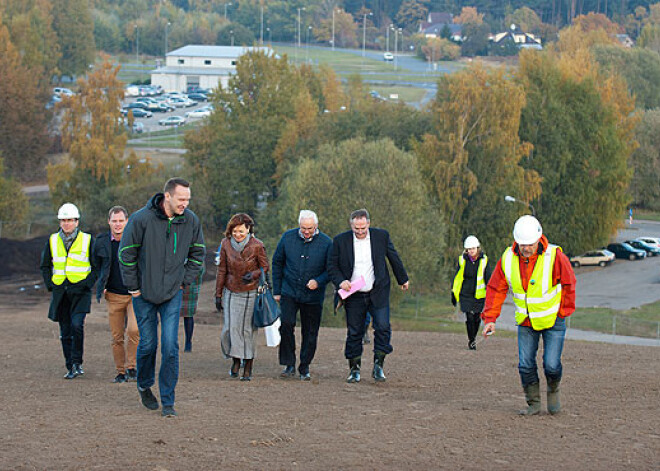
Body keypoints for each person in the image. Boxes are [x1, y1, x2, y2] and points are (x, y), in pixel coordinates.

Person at [119, 178, 206, 418]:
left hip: (172, 294)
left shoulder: (190, 221)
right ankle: (144, 384)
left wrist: (183, 282)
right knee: (148, 344)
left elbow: (198, 254)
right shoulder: (141, 219)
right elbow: (126, 254)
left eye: (188, 199)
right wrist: (134, 288)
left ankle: (168, 400)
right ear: (167, 196)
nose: (185, 204)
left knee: (170, 346)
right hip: (143, 294)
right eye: (181, 199)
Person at [482, 215, 576, 416]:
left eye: (530, 244)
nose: (526, 248)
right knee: (525, 365)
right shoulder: (507, 258)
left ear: (539, 239)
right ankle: (533, 403)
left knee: (551, 365)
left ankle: (553, 389)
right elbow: (495, 289)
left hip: (553, 320)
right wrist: (490, 319)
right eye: (522, 244)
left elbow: (569, 283)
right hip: (526, 322)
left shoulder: (555, 256)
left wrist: (564, 311)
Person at [328, 209, 409, 383]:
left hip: (377, 290)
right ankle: (354, 369)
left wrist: (403, 279)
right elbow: (332, 266)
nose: (360, 232)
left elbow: (393, 257)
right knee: (355, 331)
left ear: (368, 224)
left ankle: (378, 365)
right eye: (356, 228)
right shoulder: (340, 241)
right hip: (354, 294)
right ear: (351, 225)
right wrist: (341, 281)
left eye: (363, 228)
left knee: (382, 326)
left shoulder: (381, 237)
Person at [272, 210, 332, 381]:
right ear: (299, 225)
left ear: (316, 226)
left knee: (310, 331)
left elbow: (331, 269)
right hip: (289, 291)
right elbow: (277, 262)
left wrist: (319, 281)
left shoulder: (327, 243)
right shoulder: (287, 238)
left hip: (313, 296)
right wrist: (277, 290)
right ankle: (288, 363)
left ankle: (304, 366)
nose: (306, 231)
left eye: (310, 228)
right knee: (286, 325)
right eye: (304, 228)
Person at [40, 203, 98, 380]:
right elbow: (45, 265)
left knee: (76, 325)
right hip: (61, 293)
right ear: (60, 222)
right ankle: (70, 365)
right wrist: (51, 285)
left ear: (77, 221)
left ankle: (77, 360)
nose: (67, 224)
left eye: (70, 220)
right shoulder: (52, 240)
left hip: (80, 292)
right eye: (64, 220)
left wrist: (87, 285)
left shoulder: (88, 240)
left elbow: (96, 267)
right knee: (65, 330)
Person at [215, 213, 269, 381]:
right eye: (234, 231)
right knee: (230, 329)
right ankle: (235, 358)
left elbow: (265, 267)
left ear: (249, 230)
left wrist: (253, 274)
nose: (237, 235)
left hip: (250, 292)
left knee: (247, 330)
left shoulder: (257, 246)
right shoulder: (225, 244)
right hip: (231, 290)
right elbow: (222, 269)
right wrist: (218, 294)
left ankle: (248, 363)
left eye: (241, 231)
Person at [93, 206, 138, 383]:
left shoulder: (136, 240)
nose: (118, 224)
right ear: (109, 222)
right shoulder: (101, 241)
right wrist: (101, 283)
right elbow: (96, 264)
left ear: (127, 221)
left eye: (121, 221)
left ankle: (132, 367)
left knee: (134, 330)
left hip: (134, 294)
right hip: (113, 295)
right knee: (116, 336)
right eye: (114, 221)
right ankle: (120, 372)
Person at [452, 235, 492, 350]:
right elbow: (457, 277)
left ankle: (473, 336)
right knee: (469, 317)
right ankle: (471, 340)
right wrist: (453, 292)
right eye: (469, 249)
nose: (471, 251)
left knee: (476, 317)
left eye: (473, 249)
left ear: (477, 248)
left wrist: (490, 293)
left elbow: (488, 277)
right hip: (465, 293)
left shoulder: (484, 261)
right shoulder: (462, 260)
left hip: (479, 294)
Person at [180, 268, 204, 353]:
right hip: (182, 276)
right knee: (173, 314)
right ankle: (185, 343)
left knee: (188, 314)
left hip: (191, 277)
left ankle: (188, 342)